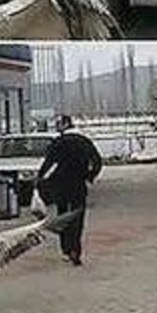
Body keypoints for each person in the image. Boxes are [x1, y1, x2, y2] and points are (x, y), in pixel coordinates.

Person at [36, 114, 101, 266]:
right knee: (78, 217)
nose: (57, 126)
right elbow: (97, 162)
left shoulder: (59, 143)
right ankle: (76, 249)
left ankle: (66, 249)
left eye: (58, 124)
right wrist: (89, 177)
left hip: (61, 186)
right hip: (78, 186)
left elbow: (48, 165)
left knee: (63, 216)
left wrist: (41, 181)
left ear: (65, 124)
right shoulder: (84, 142)